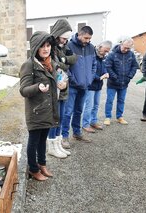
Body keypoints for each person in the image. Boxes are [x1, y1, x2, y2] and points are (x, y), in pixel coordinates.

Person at [19, 31, 63, 181]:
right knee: (34, 141)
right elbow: (23, 90)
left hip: (47, 110)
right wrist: (37, 87)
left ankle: (42, 164)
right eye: (42, 46)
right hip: (36, 111)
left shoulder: (51, 63)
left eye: (48, 45)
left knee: (43, 140)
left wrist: (62, 84)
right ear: (36, 48)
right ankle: (33, 169)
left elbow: (58, 78)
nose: (46, 49)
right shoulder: (29, 65)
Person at [61, 26, 97, 146]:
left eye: (89, 38)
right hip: (72, 86)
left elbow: (94, 65)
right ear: (80, 35)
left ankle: (77, 133)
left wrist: (90, 79)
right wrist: (72, 80)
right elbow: (65, 65)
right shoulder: (69, 46)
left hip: (85, 86)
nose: (88, 40)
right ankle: (64, 136)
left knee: (79, 111)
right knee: (68, 112)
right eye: (86, 38)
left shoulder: (91, 48)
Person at [47, 19, 78, 158]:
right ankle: (51, 146)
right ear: (58, 34)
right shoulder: (50, 47)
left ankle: (58, 145)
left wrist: (63, 61)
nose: (65, 41)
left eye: (67, 39)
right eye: (64, 38)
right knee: (55, 118)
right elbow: (55, 65)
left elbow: (74, 59)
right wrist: (64, 62)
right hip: (55, 88)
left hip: (64, 86)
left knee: (61, 118)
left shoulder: (62, 47)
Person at [104, 37, 139, 125]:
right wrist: (114, 77)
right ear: (121, 44)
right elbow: (107, 66)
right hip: (112, 83)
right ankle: (107, 117)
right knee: (110, 100)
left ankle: (119, 117)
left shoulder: (131, 54)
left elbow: (135, 66)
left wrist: (129, 76)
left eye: (128, 48)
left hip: (124, 83)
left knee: (121, 100)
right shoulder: (112, 54)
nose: (126, 50)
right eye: (125, 47)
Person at [82, 40, 112, 133]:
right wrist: (99, 78)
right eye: (105, 50)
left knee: (96, 105)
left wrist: (106, 72)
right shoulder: (92, 55)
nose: (106, 53)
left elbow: (104, 68)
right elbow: (88, 71)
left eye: (108, 51)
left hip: (98, 86)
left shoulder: (102, 58)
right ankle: (85, 124)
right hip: (90, 86)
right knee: (89, 106)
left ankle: (93, 121)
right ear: (100, 47)